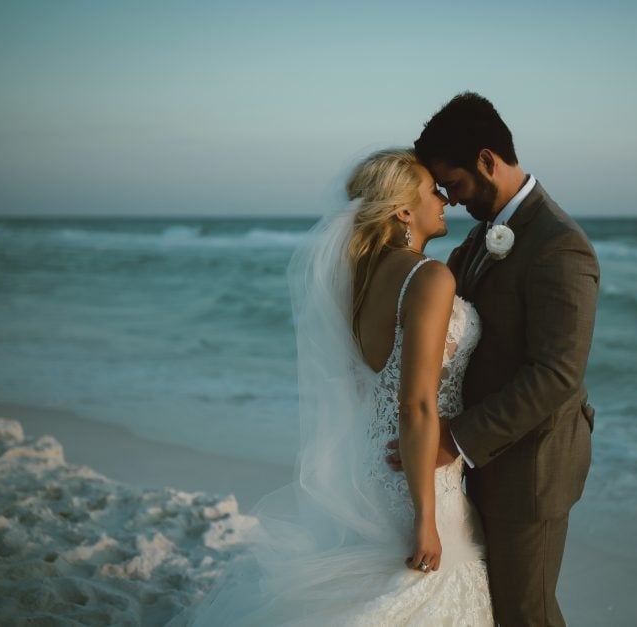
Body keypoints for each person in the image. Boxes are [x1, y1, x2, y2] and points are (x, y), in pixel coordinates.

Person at [181, 148, 493, 625]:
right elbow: (416, 405)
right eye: (433, 192)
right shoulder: (429, 276)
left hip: (373, 467)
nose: (445, 201)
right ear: (404, 210)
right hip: (418, 473)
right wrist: (424, 518)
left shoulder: (359, 282)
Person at [392, 93, 600, 626]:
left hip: (532, 468)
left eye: (454, 183)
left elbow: (556, 374)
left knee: (523, 613)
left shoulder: (560, 246)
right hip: (487, 459)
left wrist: (454, 438)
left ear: (488, 160)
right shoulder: (486, 234)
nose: (453, 199)